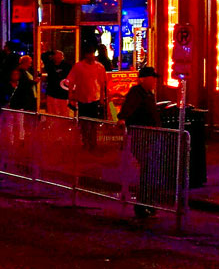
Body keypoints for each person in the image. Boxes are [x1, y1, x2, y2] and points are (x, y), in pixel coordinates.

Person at [119, 66, 162, 217]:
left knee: (150, 171)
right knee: (147, 170)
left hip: (150, 136)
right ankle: (142, 204)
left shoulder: (148, 93)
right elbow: (127, 110)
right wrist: (123, 119)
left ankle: (147, 203)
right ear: (144, 79)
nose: (154, 81)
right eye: (152, 78)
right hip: (142, 137)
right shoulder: (137, 93)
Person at [67, 49, 109, 149]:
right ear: (86, 55)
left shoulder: (99, 66)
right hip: (82, 97)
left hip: (95, 97)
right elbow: (71, 81)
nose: (91, 56)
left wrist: (102, 97)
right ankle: (85, 140)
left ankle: (93, 141)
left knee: (94, 121)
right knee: (84, 121)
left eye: (92, 53)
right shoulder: (78, 66)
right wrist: (71, 95)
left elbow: (103, 83)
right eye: (89, 53)